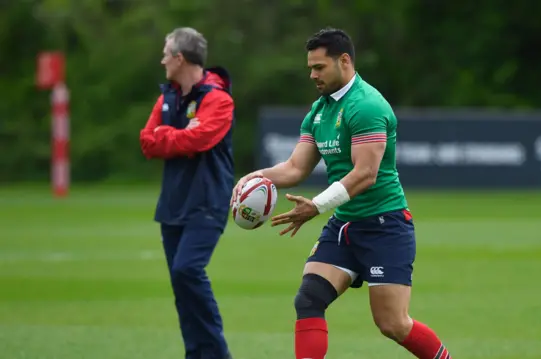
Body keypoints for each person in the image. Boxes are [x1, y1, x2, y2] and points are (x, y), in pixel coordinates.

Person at [232, 27, 451, 359]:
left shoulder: (366, 105)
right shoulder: (320, 111)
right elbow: (295, 168)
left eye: (319, 67)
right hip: (346, 226)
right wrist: (253, 178)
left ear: (344, 61)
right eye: (310, 67)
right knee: (308, 299)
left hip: (385, 227)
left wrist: (316, 206)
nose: (312, 74)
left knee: (393, 324)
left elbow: (365, 174)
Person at [140, 27, 234, 359]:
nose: (162, 59)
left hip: (208, 201)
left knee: (187, 270)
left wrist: (170, 137)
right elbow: (147, 141)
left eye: (166, 53)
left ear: (180, 58)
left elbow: (201, 140)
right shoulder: (167, 96)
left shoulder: (218, 99)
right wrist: (176, 134)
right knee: (181, 287)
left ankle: (216, 353)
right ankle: (198, 354)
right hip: (173, 203)